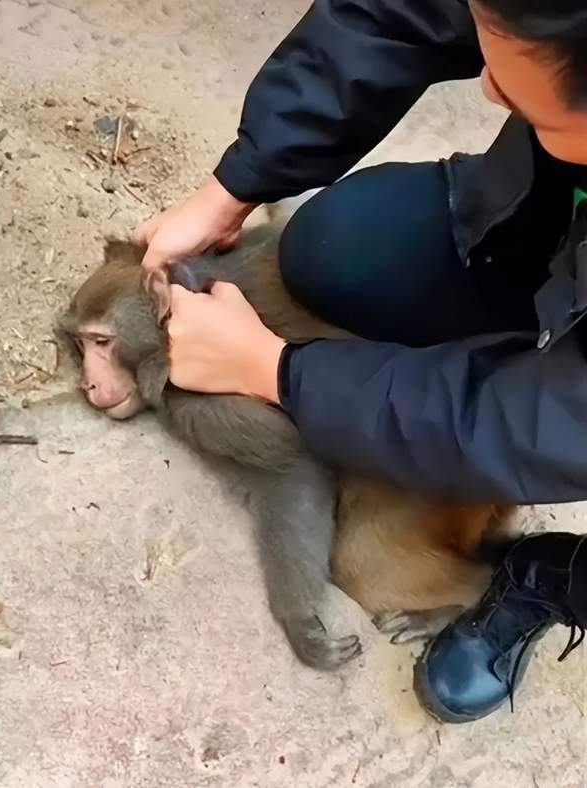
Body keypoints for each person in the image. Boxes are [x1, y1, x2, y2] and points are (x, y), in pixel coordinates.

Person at [133, 0, 587, 723]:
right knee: (336, 252)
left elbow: (551, 425)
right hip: (552, 212)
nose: (487, 89)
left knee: (375, 566)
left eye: (518, 87)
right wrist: (236, 183)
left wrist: (275, 371)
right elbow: (397, 12)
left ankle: (550, 578)